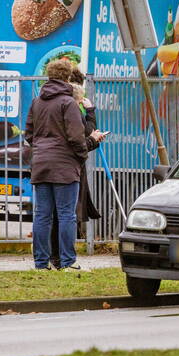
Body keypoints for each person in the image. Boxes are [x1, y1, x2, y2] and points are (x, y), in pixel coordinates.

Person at [25, 58, 90, 270]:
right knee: (66, 215)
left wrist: (42, 149)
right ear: (67, 77)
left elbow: (29, 134)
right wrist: (81, 156)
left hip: (41, 163)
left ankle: (41, 263)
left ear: (49, 75)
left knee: (42, 215)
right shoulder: (68, 102)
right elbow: (75, 136)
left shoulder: (37, 101)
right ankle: (68, 261)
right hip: (64, 165)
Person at [49, 69, 106, 267]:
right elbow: (84, 137)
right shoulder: (72, 107)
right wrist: (90, 113)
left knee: (52, 214)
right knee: (66, 214)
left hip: (50, 164)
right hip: (70, 166)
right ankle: (65, 259)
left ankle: (50, 258)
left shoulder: (46, 104)